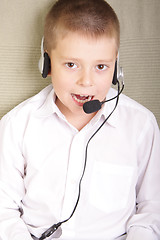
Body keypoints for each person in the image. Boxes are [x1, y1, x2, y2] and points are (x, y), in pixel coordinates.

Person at [0, 0, 160, 239]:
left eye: (101, 66)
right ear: (47, 63)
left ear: (117, 68)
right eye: (71, 64)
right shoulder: (17, 125)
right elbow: (4, 211)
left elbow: (152, 211)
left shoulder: (140, 125)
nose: (86, 81)